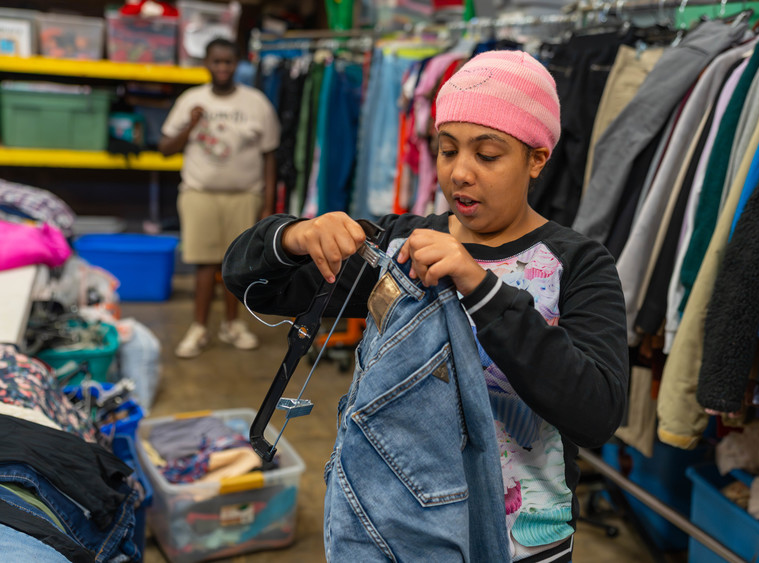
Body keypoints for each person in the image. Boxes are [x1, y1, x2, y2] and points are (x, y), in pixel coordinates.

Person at [223, 50, 628, 562]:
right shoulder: (400, 247)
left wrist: (482, 290)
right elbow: (250, 282)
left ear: (537, 158)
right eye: (446, 149)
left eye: (487, 155)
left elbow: (596, 412)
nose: (459, 172)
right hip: (400, 536)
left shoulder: (577, 264)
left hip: (520, 544)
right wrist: (294, 235)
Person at [159, 37, 280, 359]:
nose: (223, 68)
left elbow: (270, 155)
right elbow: (165, 149)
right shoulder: (190, 100)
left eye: (229, 62)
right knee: (203, 263)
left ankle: (232, 324)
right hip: (199, 193)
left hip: (244, 195)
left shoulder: (256, 102)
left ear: (237, 64)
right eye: (217, 61)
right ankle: (199, 328)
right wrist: (191, 124)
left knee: (237, 266)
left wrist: (267, 203)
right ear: (207, 64)